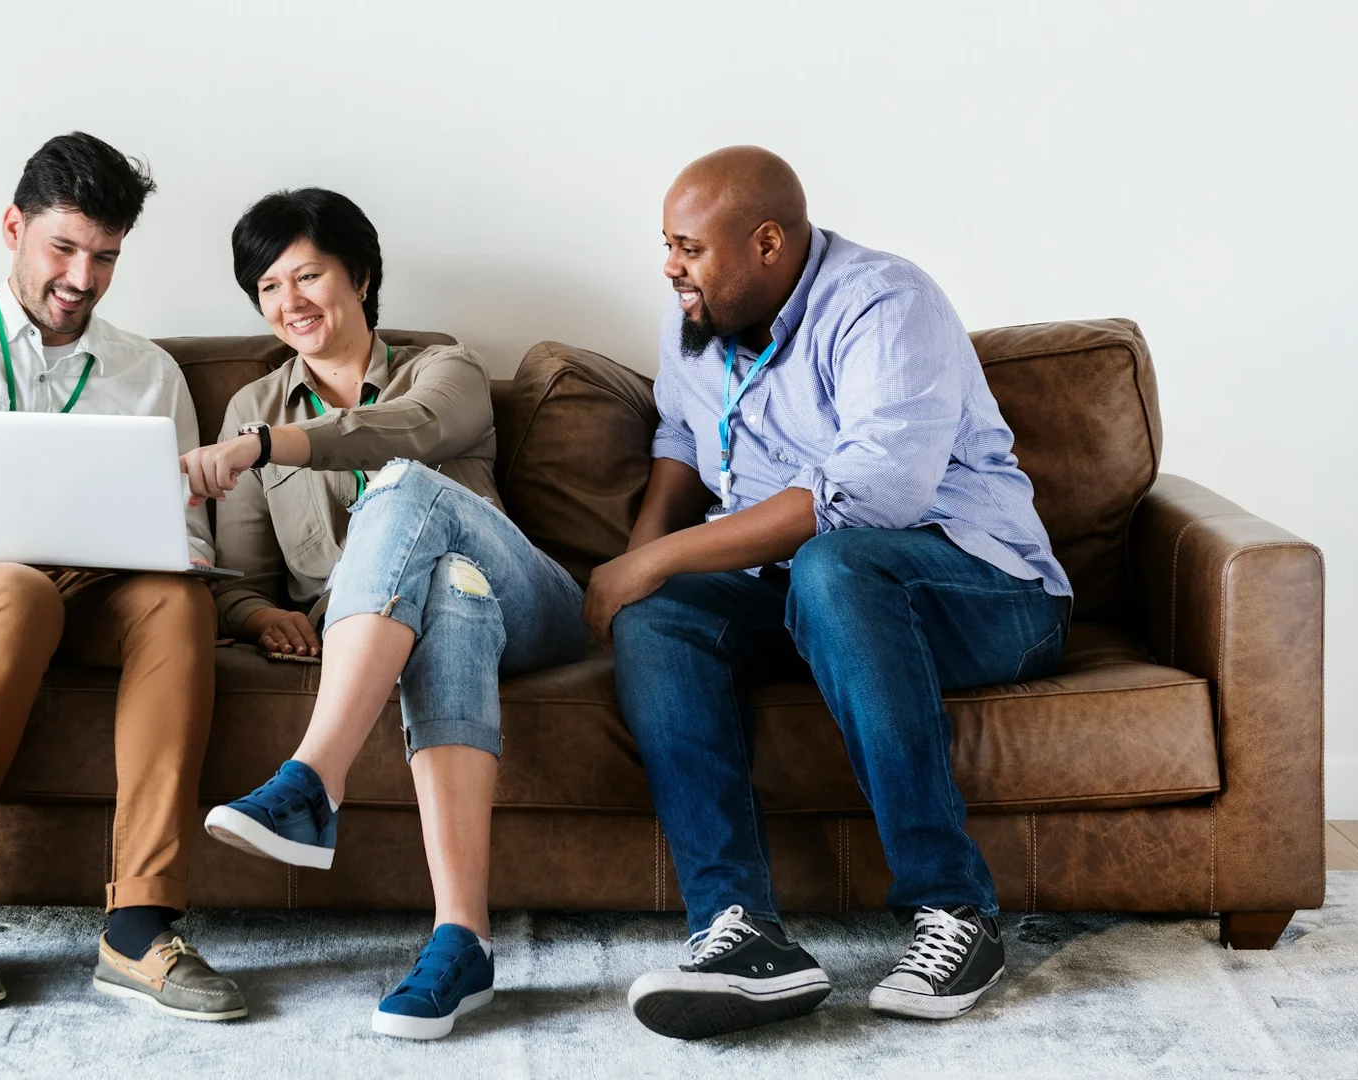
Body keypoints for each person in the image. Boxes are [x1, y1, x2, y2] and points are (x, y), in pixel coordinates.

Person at [586, 146, 1073, 1040]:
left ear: (766, 243)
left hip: (987, 589)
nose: (670, 267)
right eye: (666, 244)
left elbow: (866, 497)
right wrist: (638, 568)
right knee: (662, 618)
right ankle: (739, 934)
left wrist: (659, 558)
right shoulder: (694, 318)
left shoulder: (884, 302)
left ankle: (956, 913)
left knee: (834, 563)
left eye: (688, 248)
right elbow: (683, 441)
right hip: (804, 593)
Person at [0, 132, 244, 1020]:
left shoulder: (148, 372)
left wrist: (173, 552)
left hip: (87, 582)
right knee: (13, 591)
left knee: (177, 602)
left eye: (104, 257)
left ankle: (139, 925)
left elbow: (186, 532)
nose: (82, 277)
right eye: (63, 248)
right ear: (13, 227)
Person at [182, 188, 588, 1040]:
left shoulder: (447, 368)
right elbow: (243, 578)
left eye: (308, 275)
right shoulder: (250, 405)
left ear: (360, 277)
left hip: (533, 602)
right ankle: (460, 941)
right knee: (450, 601)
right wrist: (259, 619)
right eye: (266, 288)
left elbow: (395, 432)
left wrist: (263, 447)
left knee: (405, 485)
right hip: (440, 618)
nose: (287, 302)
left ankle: (311, 779)